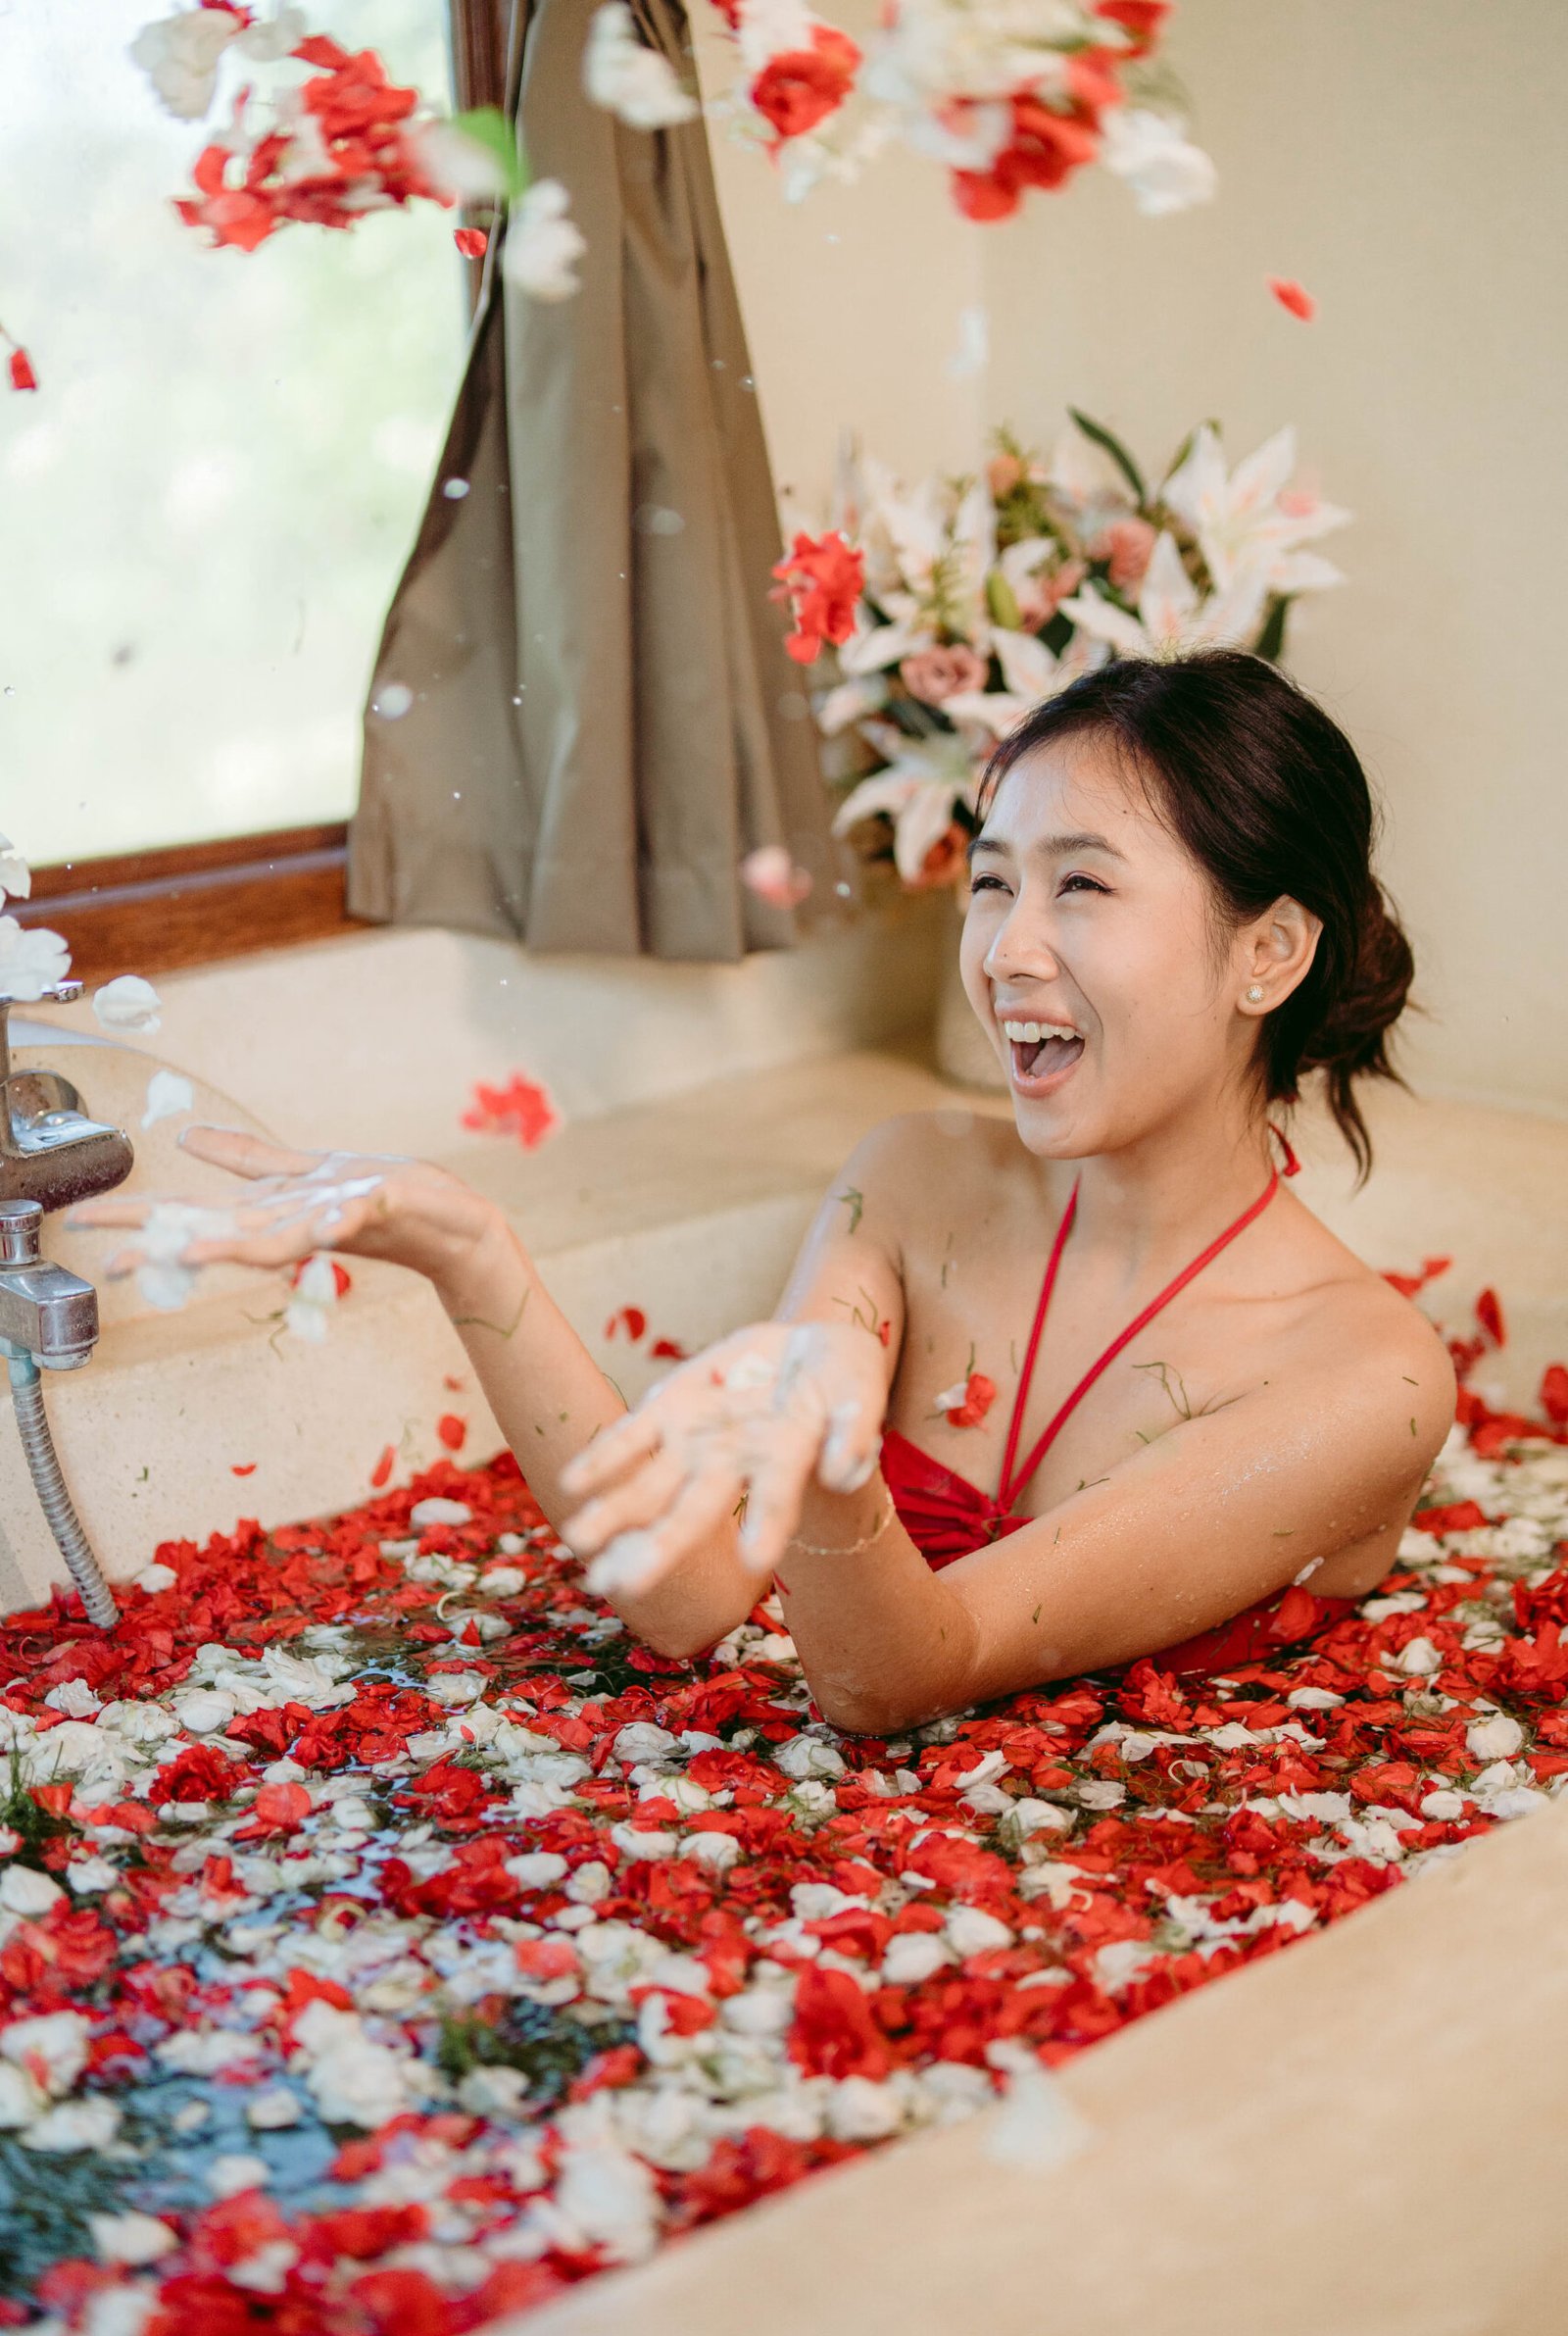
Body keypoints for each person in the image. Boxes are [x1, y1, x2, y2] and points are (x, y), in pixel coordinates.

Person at [73, 651, 1455, 1734]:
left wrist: (835, 1476)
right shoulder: (916, 1183)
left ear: (1265, 953)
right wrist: (466, 1248)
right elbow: (684, 1600)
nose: (1009, 950)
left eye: (1082, 885)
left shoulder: (1361, 1380)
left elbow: (906, 1676)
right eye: (990, 882)